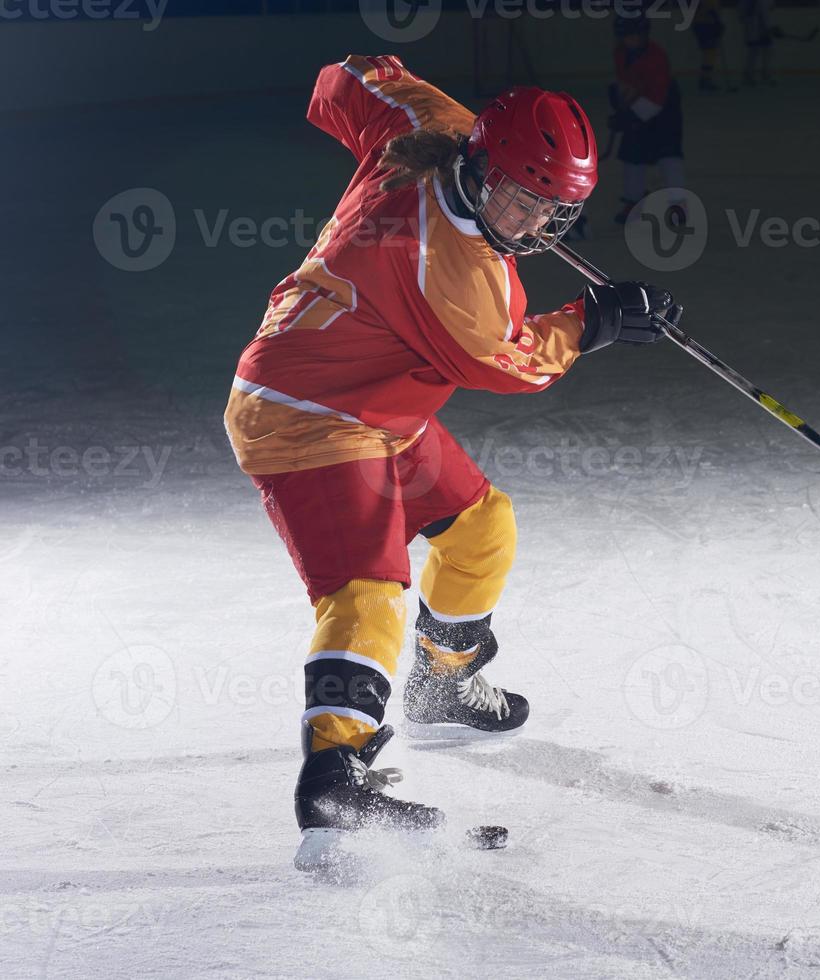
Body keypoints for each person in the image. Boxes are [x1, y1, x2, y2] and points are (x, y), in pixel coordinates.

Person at [223, 54, 681, 865]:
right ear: (480, 165)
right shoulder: (455, 273)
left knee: (481, 528)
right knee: (365, 591)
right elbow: (510, 363)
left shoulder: (427, 127)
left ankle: (440, 686)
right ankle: (334, 780)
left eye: (553, 206)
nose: (532, 221)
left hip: (377, 405)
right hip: (309, 416)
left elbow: (339, 79)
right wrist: (591, 322)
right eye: (518, 199)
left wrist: (377, 81)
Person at [609, 16, 687, 226]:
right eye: (626, 37)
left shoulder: (656, 57)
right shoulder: (621, 53)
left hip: (665, 110)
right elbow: (625, 83)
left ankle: (678, 204)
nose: (630, 41)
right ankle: (633, 201)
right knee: (632, 155)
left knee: (669, 156)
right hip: (638, 107)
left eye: (634, 36)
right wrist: (622, 106)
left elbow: (657, 96)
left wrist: (630, 116)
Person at [739, 0, 775, 85]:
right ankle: (749, 75)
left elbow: (769, 9)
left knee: (766, 50)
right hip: (753, 26)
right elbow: (742, 13)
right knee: (754, 51)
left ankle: (764, 74)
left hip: (760, 27)